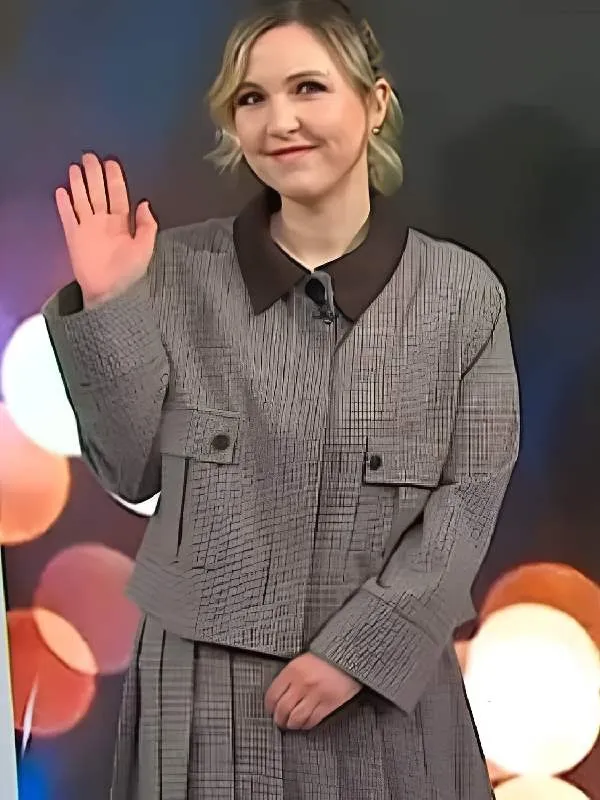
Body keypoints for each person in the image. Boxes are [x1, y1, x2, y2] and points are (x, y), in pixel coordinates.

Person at [43, 1, 520, 797]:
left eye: (308, 88)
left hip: (385, 711)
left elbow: (467, 505)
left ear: (374, 104)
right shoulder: (176, 273)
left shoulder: (461, 297)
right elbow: (131, 470)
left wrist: (358, 655)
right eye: (252, 98)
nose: (280, 121)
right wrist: (111, 302)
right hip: (202, 714)